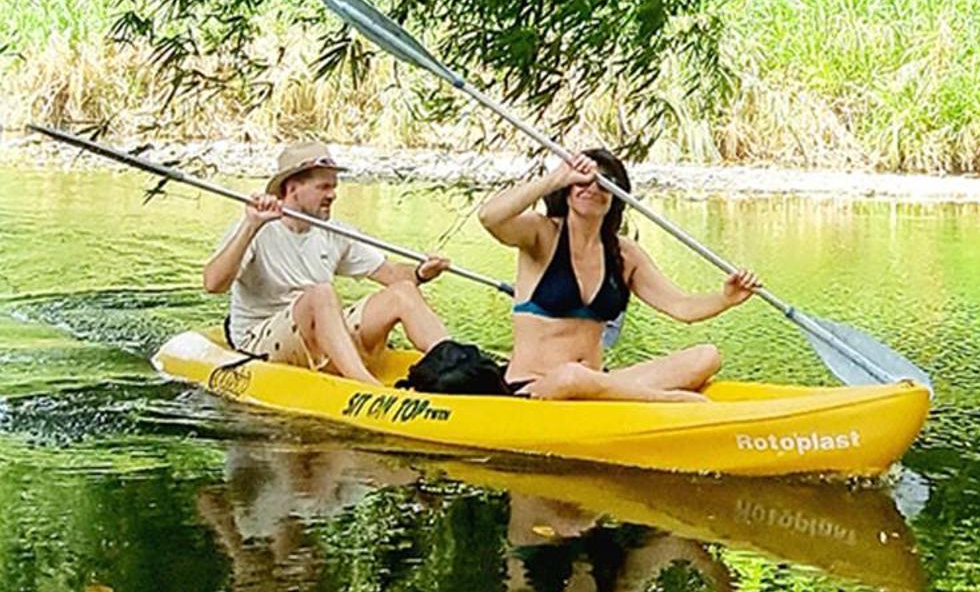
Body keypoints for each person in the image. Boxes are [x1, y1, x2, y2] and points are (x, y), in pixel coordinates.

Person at [477, 148, 759, 401]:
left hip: (598, 381)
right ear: (567, 190)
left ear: (615, 195)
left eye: (604, 183)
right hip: (538, 386)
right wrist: (557, 176)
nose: (591, 188)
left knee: (706, 356)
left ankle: (618, 394)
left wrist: (725, 298)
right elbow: (490, 217)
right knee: (572, 376)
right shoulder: (542, 234)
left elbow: (681, 307)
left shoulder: (625, 254)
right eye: (582, 181)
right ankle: (668, 401)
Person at [202, 142, 452, 386]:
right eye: (323, 187)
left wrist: (421, 272)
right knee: (321, 293)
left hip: (319, 328)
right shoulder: (254, 228)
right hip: (259, 338)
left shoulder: (334, 232)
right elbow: (213, 284)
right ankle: (365, 386)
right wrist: (251, 226)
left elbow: (393, 274)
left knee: (403, 292)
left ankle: (456, 365)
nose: (332, 195)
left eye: (333, 187)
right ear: (292, 188)